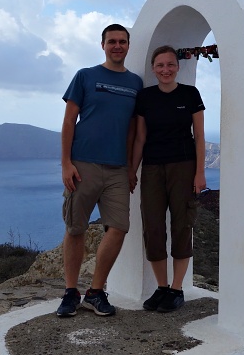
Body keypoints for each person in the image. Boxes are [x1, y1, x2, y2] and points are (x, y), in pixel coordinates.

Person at [56, 23, 143, 318]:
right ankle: (70, 292)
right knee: (75, 228)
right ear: (102, 45)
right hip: (83, 165)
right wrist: (66, 163)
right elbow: (69, 121)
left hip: (118, 168)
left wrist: (132, 167)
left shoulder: (135, 83)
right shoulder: (85, 76)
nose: (117, 46)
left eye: (122, 41)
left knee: (118, 227)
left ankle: (95, 292)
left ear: (128, 46)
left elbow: (133, 128)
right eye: (112, 41)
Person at [129, 45, 206, 313]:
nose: (166, 70)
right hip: (151, 168)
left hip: (183, 167)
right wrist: (132, 170)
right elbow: (140, 138)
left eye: (170, 64)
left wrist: (200, 172)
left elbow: (199, 136)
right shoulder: (145, 97)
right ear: (153, 68)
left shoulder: (190, 94)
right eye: (160, 65)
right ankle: (162, 288)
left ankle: (176, 289)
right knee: (153, 227)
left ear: (178, 66)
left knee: (182, 225)